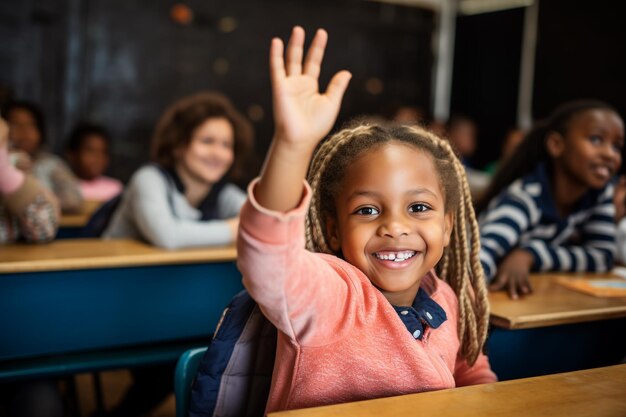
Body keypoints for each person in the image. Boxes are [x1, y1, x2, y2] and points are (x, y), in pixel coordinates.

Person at [236, 26, 495, 414]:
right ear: (335, 229)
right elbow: (269, 258)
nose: (394, 226)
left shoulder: (446, 297)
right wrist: (293, 145)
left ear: (447, 225)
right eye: (367, 210)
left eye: (419, 208)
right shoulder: (328, 297)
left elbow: (471, 374)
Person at [477, 100, 624, 299]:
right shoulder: (525, 197)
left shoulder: (599, 195)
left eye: (617, 146)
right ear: (556, 145)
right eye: (596, 139)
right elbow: (480, 253)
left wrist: (531, 255)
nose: (610, 154)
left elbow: (601, 256)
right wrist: (472, 291)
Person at [102, 91, 253, 248]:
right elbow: (167, 236)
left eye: (226, 145)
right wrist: (235, 229)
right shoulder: (148, 179)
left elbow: (264, 222)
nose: (218, 154)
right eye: (207, 141)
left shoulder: (224, 193)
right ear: (178, 145)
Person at [4, 100, 83, 214]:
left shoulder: (51, 164)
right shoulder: (4, 165)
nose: (25, 132)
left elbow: (73, 200)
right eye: (16, 125)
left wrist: (38, 203)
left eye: (31, 125)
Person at [0, 116, 59, 243]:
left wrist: (5, 171)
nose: (24, 132)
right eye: (17, 126)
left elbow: (44, 230)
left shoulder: (14, 163)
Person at [64, 123, 123, 202]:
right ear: (72, 155)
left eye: (103, 152)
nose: (98, 158)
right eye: (90, 151)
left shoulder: (116, 189)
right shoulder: (64, 187)